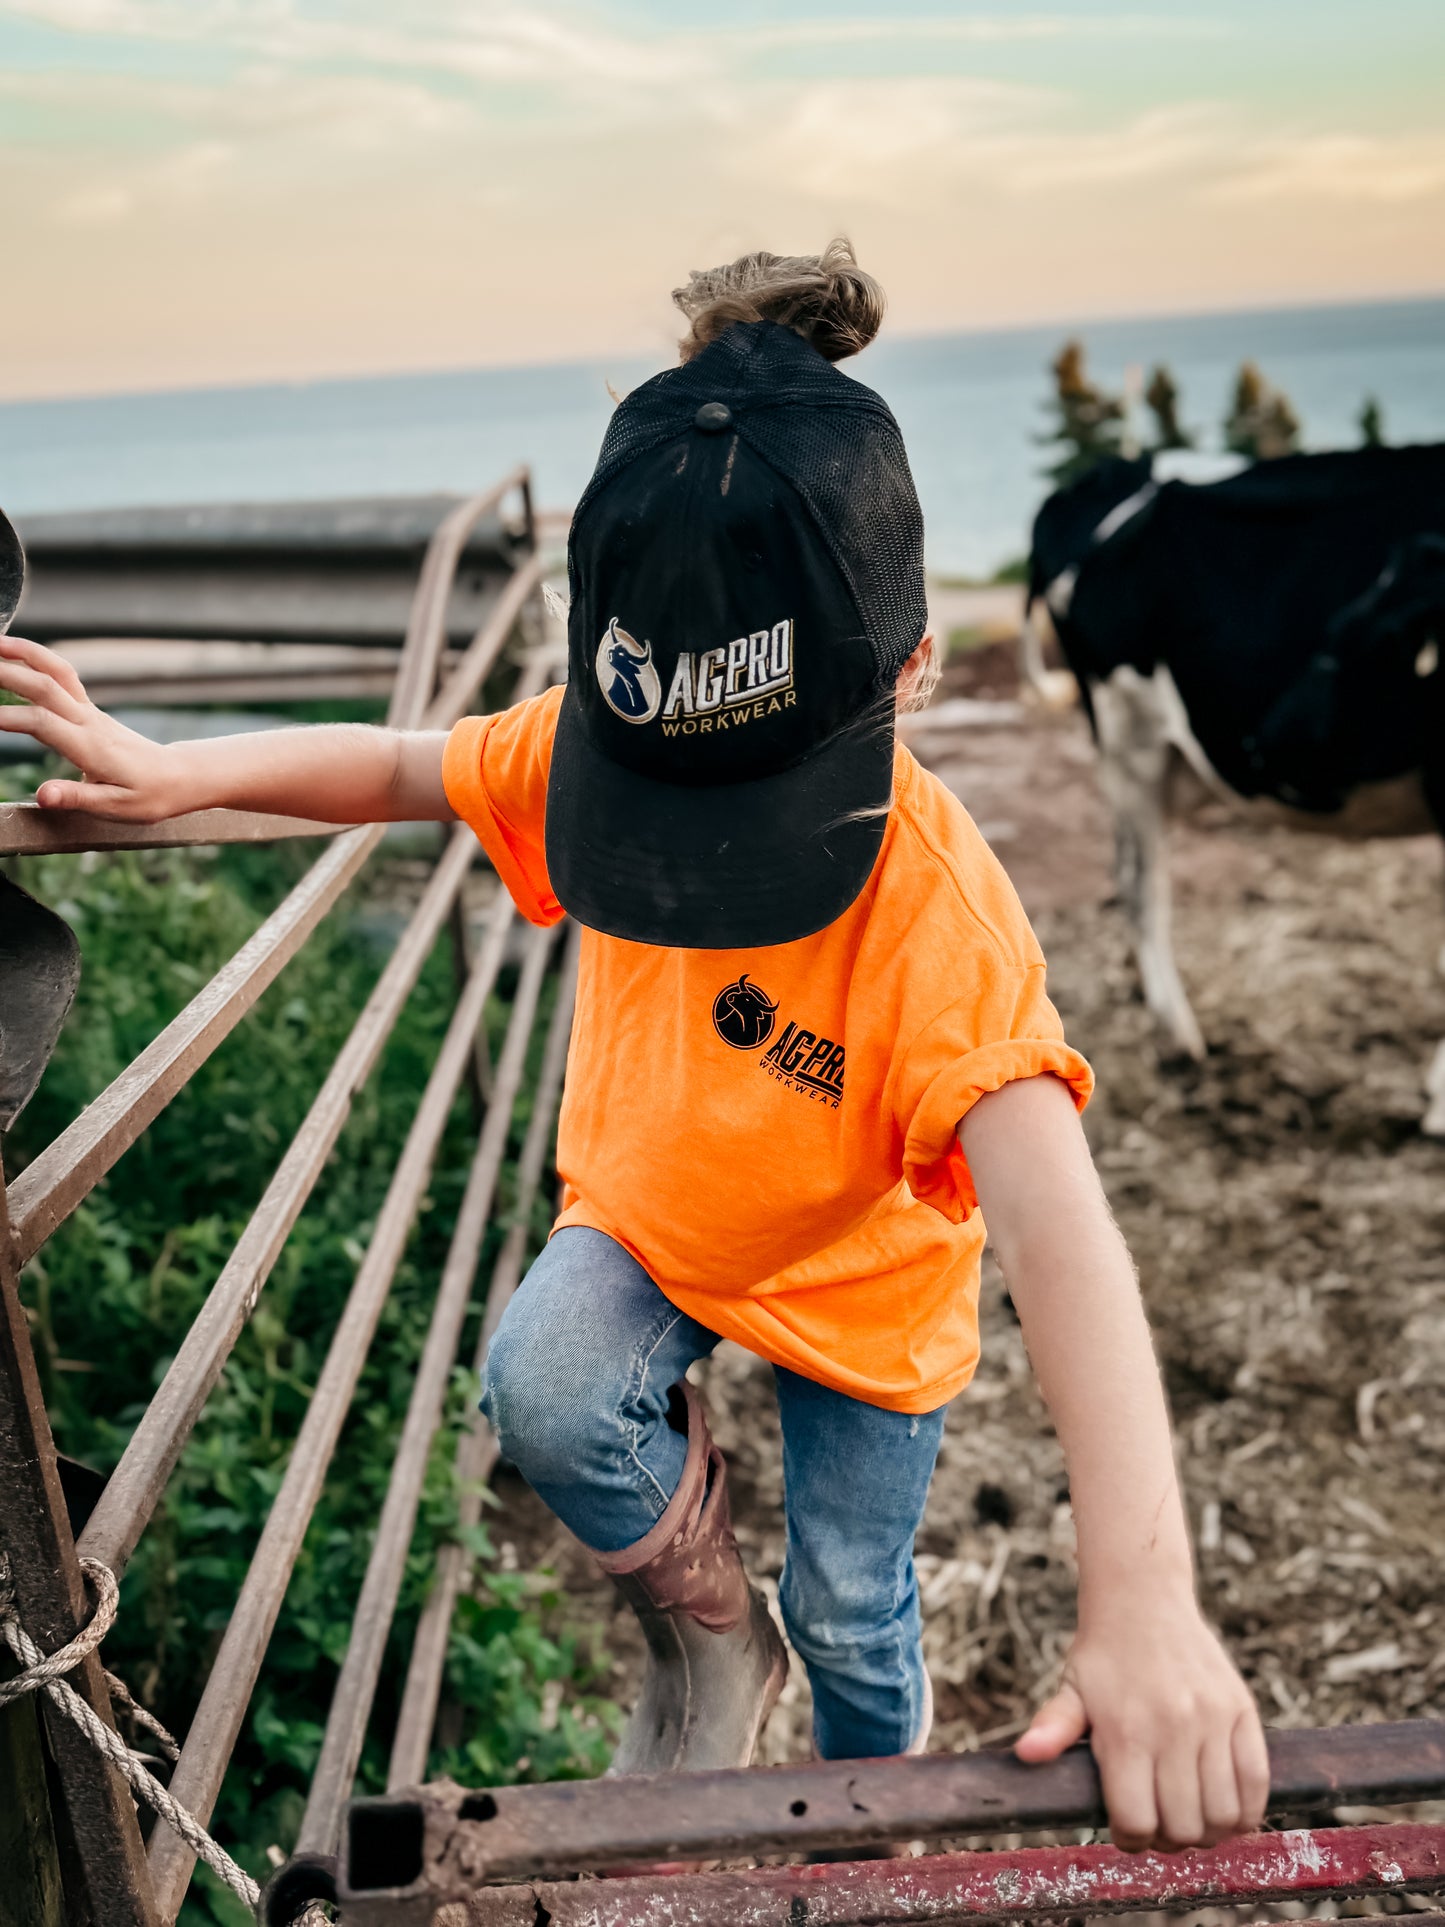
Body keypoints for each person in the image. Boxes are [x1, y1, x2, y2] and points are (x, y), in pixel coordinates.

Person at [0, 240, 1268, 1853]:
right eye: (658, 806)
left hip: (856, 1286)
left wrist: (1144, 1602)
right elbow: (405, 765)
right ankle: (708, 1629)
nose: (695, 861)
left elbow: (1064, 1233)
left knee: (856, 1604)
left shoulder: (940, 914)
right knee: (541, 1387)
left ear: (917, 670)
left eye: (749, 821)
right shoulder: (588, 738)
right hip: (661, 1216)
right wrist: (180, 773)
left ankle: (868, 1821)